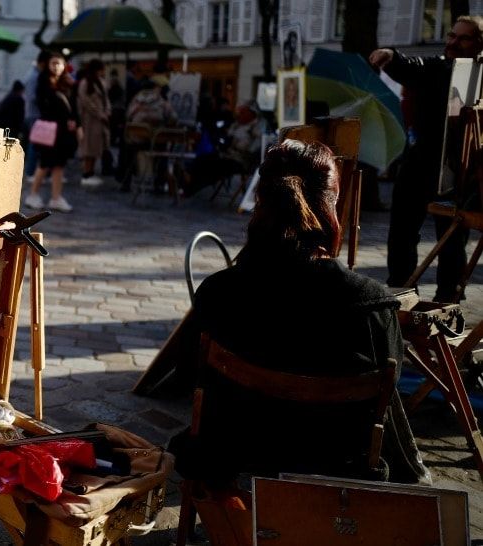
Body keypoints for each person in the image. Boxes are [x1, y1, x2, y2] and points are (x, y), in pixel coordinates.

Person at [168, 140, 429, 486]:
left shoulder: (219, 293)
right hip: (336, 468)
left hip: (231, 457)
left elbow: (188, 375)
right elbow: (385, 398)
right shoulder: (372, 305)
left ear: (261, 202)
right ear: (331, 203)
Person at [370, 15, 483, 302]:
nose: (454, 42)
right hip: (420, 163)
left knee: (452, 240)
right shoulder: (439, 66)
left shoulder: (480, 74)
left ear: (479, 42)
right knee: (402, 232)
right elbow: (412, 66)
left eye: (463, 38)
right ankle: (401, 292)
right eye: (451, 35)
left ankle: (449, 300)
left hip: (462, 171)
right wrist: (391, 55)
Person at [24, 51, 78, 213]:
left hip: (63, 131)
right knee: (45, 163)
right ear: (48, 65)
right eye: (53, 63)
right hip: (50, 129)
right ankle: (33, 194)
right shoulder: (43, 81)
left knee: (59, 165)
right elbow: (45, 105)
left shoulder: (66, 83)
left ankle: (56, 197)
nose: (56, 67)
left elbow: (73, 106)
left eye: (59, 63)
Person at [76, 59, 110, 188]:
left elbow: (106, 100)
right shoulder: (85, 83)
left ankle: (90, 172)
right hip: (89, 120)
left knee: (96, 147)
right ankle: (86, 173)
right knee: (89, 147)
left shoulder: (101, 82)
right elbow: (86, 102)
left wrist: (107, 112)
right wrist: (100, 113)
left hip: (100, 120)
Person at [23, 50, 51, 178]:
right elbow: (32, 96)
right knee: (35, 144)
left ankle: (32, 171)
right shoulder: (34, 76)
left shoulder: (34, 74)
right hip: (34, 114)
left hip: (33, 113)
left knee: (36, 144)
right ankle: (30, 172)